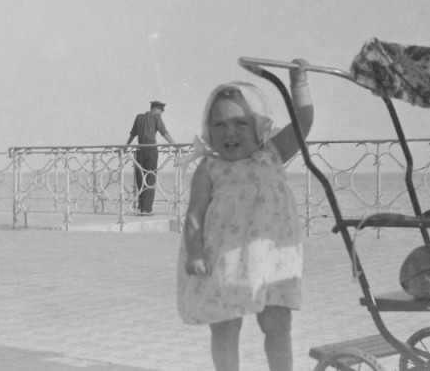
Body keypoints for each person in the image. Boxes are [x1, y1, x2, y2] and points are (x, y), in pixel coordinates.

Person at [177, 60, 313, 371]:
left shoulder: (271, 154)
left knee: (277, 324)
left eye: (241, 123)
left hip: (273, 259)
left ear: (259, 127)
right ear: (208, 130)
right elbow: (195, 214)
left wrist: (299, 84)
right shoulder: (210, 168)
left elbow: (303, 122)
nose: (230, 133)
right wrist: (195, 252)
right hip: (225, 259)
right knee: (225, 326)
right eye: (220, 125)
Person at [126, 100, 176, 214]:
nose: (161, 114)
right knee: (150, 178)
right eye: (161, 111)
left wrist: (126, 147)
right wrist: (175, 145)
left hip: (140, 149)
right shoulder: (156, 117)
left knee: (140, 178)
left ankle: (141, 207)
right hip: (151, 149)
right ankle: (147, 209)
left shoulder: (139, 117)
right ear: (157, 109)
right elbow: (165, 133)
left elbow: (132, 134)